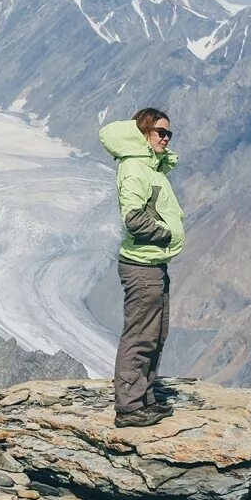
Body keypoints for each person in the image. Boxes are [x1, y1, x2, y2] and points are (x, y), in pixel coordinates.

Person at [98, 108, 185, 428]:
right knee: (139, 337)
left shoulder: (150, 168)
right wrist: (165, 234)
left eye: (168, 134)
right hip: (142, 267)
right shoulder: (135, 168)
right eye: (159, 132)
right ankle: (130, 408)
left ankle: (144, 399)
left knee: (155, 335)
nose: (165, 138)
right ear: (143, 133)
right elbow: (133, 218)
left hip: (153, 263)